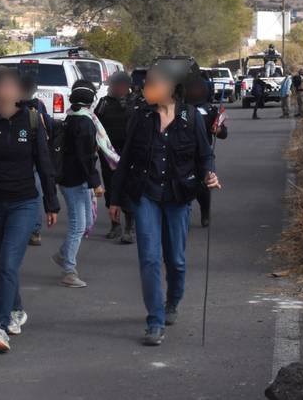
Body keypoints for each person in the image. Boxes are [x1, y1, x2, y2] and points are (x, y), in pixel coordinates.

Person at [109, 61, 221, 347]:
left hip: (178, 196)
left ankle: (173, 301)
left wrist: (209, 174)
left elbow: (205, 155)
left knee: (176, 260)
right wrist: (115, 199)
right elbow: (125, 159)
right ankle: (155, 321)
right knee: (149, 258)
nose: (145, 88)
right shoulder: (140, 117)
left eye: (152, 84)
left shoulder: (190, 116)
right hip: (145, 194)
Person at [0, 66, 60, 353]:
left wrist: (51, 203)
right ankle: (16, 309)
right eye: (1, 85)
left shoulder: (31, 120)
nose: (6, 90)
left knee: (7, 264)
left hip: (23, 203)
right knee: (5, 263)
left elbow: (44, 164)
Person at [53, 80, 108, 288]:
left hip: (72, 178)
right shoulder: (85, 122)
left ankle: (63, 255)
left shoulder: (71, 118)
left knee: (84, 223)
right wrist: (96, 183)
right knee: (78, 226)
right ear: (91, 100)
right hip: (75, 180)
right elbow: (85, 157)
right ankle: (69, 270)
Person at [94, 71, 135, 243]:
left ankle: (130, 227)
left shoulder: (136, 103)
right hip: (109, 154)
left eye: (119, 85)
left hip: (130, 153)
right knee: (111, 189)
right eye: (114, 85)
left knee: (129, 189)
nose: (116, 88)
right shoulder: (104, 103)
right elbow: (95, 124)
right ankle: (115, 225)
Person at [185, 77, 228, 228]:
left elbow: (223, 133)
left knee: (203, 185)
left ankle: (205, 211)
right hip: (183, 153)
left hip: (203, 153)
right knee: (184, 184)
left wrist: (218, 129)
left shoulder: (210, 110)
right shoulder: (180, 109)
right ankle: (184, 216)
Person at [18, 73, 53, 247]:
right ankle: (34, 230)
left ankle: (26, 229)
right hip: (35, 156)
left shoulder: (14, 105)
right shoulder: (38, 105)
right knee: (36, 194)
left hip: (22, 156)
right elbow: (48, 127)